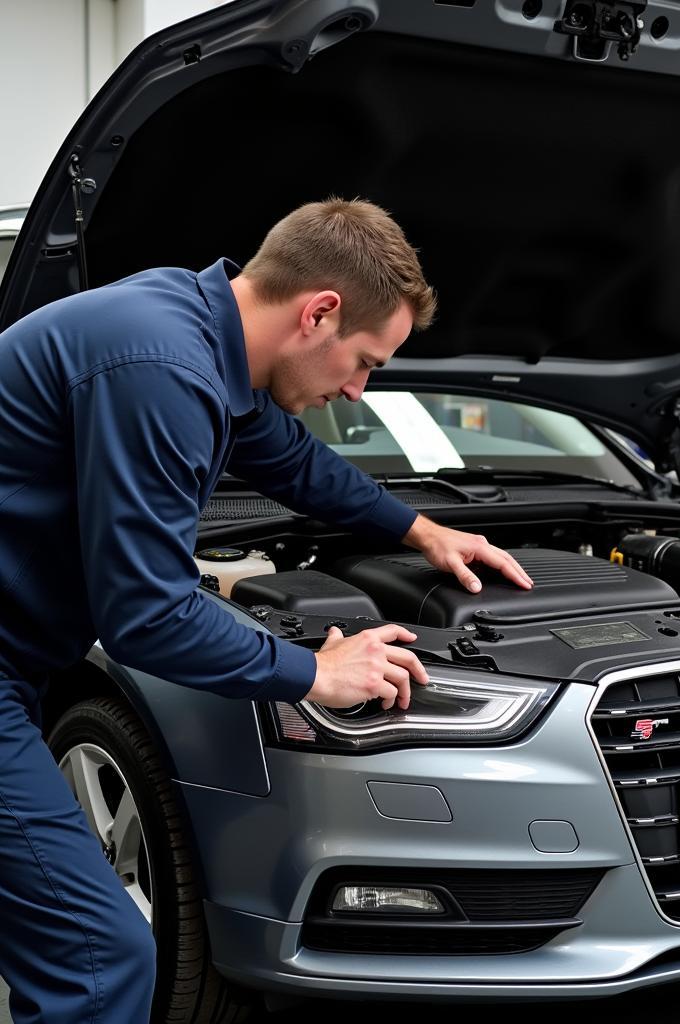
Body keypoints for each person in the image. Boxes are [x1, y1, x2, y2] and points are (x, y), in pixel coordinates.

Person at [0, 197, 532, 1023]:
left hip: (18, 654)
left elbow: (292, 464)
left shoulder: (198, 331)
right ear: (319, 311)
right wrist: (314, 671)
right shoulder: (164, 367)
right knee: (98, 959)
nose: (358, 391)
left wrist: (423, 529)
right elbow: (148, 615)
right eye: (365, 362)